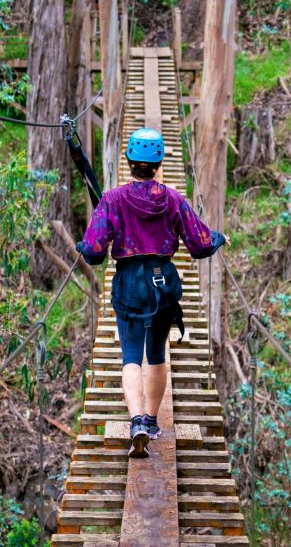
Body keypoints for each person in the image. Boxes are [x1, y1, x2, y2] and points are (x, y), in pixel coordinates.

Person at [77, 128, 226, 457]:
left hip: (129, 283)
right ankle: (151, 420)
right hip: (162, 283)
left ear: (130, 162)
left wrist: (84, 247)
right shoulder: (172, 199)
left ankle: (135, 424)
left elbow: (95, 250)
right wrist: (218, 238)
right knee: (156, 355)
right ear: (158, 163)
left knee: (131, 356)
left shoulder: (113, 200)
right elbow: (200, 244)